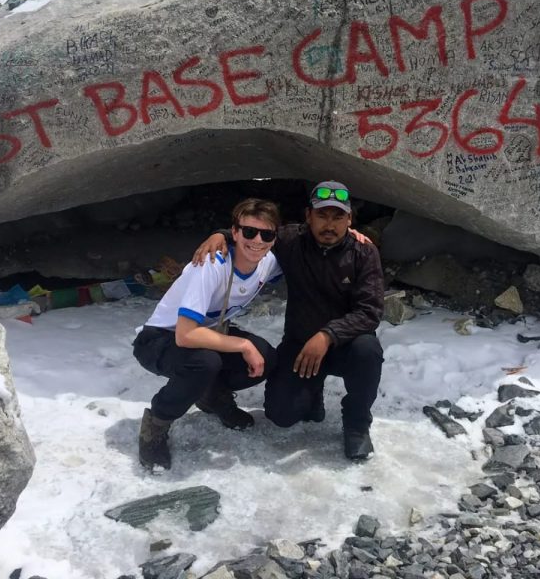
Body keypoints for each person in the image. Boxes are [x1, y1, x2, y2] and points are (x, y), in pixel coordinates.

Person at [194, 181, 385, 462]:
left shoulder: (364, 253)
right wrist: (220, 235)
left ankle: (357, 424)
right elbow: (256, 234)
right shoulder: (291, 240)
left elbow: (370, 312)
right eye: (322, 215)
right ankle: (312, 396)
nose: (329, 225)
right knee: (281, 415)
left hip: (345, 345)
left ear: (349, 219)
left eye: (338, 217)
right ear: (308, 216)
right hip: (300, 346)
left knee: (368, 351)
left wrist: (327, 335)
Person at [133, 198, 282, 471]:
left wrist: (357, 235)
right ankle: (156, 424)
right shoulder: (212, 264)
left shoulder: (268, 261)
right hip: (159, 339)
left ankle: (212, 396)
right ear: (235, 233)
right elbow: (185, 335)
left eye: (266, 234)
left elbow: (309, 240)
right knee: (203, 363)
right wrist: (242, 344)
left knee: (267, 357)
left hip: (208, 333)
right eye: (248, 232)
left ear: (274, 238)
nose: (257, 240)